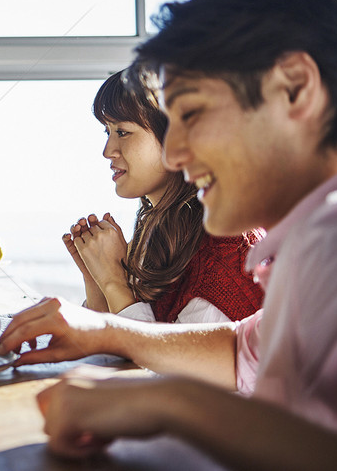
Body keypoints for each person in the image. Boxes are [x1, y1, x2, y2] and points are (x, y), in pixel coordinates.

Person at [0, 0, 337, 470]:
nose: (176, 154)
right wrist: (104, 330)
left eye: (193, 114)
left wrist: (168, 402)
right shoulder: (310, 244)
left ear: (294, 87)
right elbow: (237, 351)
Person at [66, 71, 263, 322]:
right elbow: (110, 350)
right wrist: (98, 286)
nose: (108, 151)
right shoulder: (161, 235)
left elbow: (159, 359)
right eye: (108, 132)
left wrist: (114, 281)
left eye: (123, 132)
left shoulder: (224, 256)